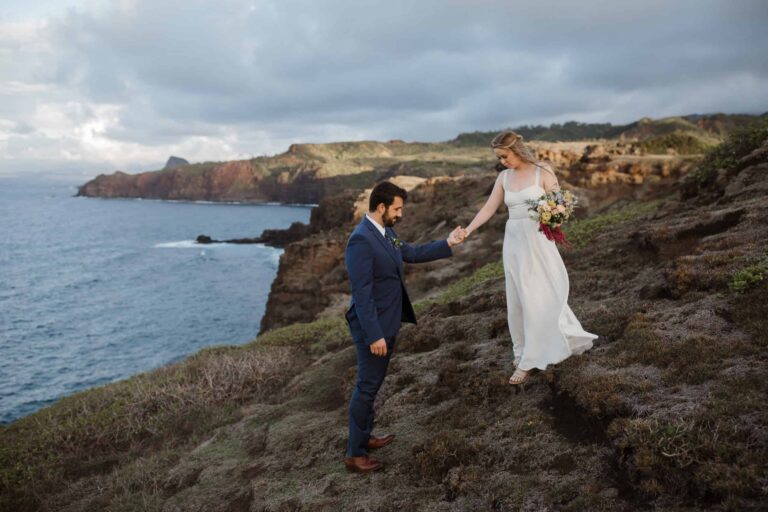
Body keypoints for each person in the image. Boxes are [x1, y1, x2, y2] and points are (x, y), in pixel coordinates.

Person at [343, 181, 465, 473]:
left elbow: (410, 252)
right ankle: (355, 454)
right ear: (382, 207)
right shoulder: (361, 240)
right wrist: (374, 334)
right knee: (366, 387)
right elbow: (362, 292)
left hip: (387, 320)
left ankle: (365, 437)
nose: (401, 214)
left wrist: (447, 243)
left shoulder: (387, 234)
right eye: (397, 209)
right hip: (373, 327)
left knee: (372, 384)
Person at [461, 131, 597, 388]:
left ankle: (530, 360)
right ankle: (521, 351)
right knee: (518, 299)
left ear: (517, 150)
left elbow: (560, 206)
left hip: (538, 240)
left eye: (504, 156)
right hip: (514, 242)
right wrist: (467, 230)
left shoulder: (542, 172)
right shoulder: (503, 177)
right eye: (499, 158)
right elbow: (489, 207)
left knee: (540, 294)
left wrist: (555, 215)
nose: (502, 161)